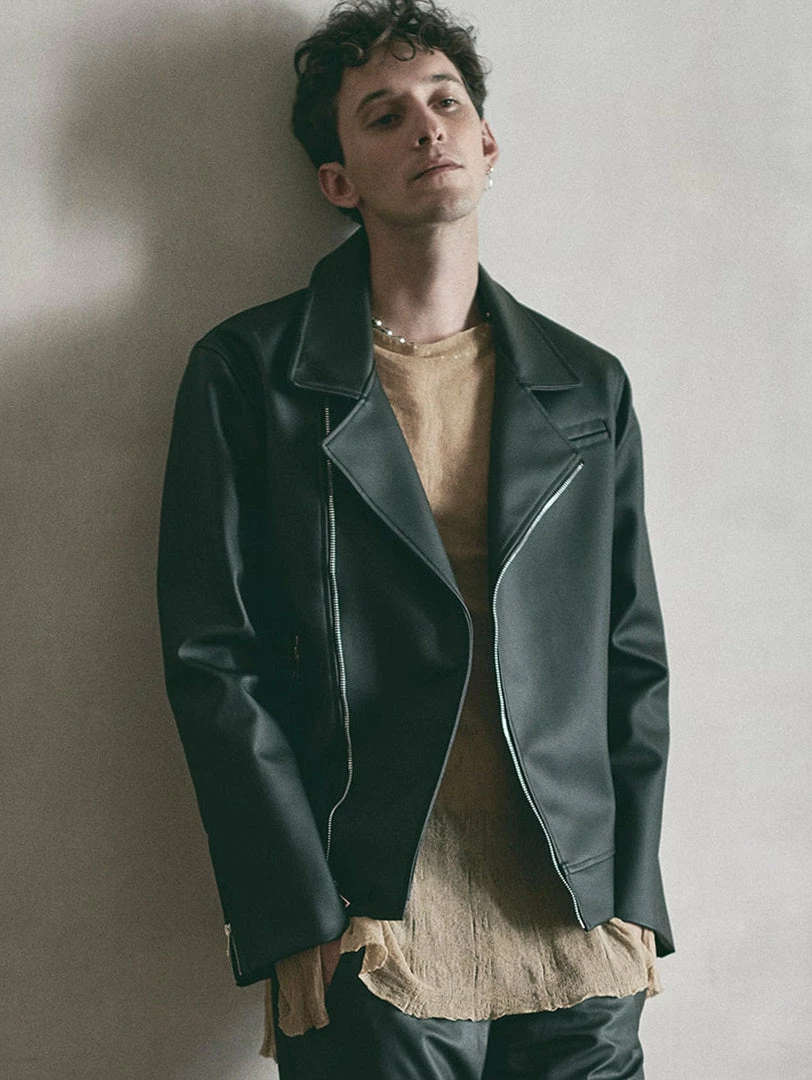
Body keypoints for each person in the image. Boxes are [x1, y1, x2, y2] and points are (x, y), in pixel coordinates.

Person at [157, 1, 674, 1076]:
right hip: (366, 910)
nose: (427, 127)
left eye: (446, 103)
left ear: (487, 145)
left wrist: (633, 892)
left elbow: (629, 654)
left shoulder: (586, 387)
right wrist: (292, 906)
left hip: (570, 912)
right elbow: (214, 659)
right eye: (383, 115)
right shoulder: (250, 374)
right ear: (337, 181)